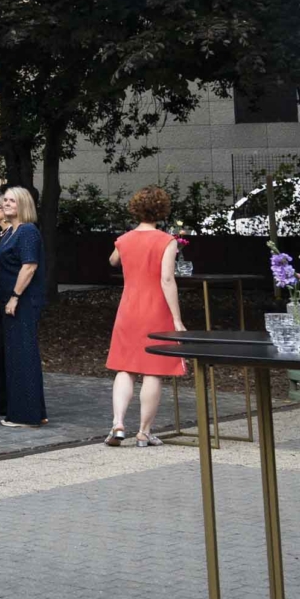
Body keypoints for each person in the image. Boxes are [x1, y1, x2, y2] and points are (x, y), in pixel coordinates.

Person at [104, 185, 185, 447]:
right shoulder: (166, 240)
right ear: (161, 211)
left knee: (125, 367)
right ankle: (144, 432)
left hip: (128, 309)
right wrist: (177, 319)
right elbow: (167, 279)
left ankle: (118, 423)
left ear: (136, 209)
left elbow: (113, 260)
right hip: (155, 309)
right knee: (153, 370)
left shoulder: (124, 239)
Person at [0, 186, 47, 427]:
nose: (6, 204)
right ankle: (33, 412)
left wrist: (15, 296)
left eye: (12, 201)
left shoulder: (27, 231)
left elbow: (29, 266)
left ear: (24, 204)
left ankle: (26, 415)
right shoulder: (11, 232)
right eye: (5, 200)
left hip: (22, 302)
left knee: (23, 355)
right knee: (16, 356)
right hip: (9, 302)